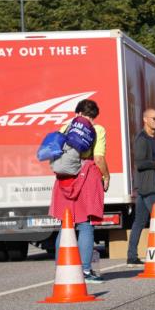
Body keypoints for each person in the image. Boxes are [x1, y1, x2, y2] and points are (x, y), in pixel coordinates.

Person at [49, 101, 107, 283]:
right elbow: (98, 158)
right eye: (90, 117)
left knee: (66, 226)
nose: (90, 121)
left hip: (64, 179)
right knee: (86, 225)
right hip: (86, 177)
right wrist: (106, 176)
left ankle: (62, 268)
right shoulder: (97, 130)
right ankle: (85, 270)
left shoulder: (65, 127)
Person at [127, 108, 155, 266]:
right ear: (145, 119)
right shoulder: (142, 139)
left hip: (147, 185)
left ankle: (131, 257)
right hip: (148, 187)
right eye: (154, 118)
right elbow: (140, 164)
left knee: (139, 221)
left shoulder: (153, 138)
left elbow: (151, 164)